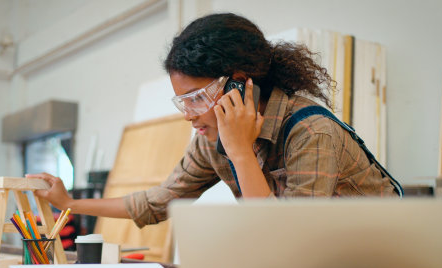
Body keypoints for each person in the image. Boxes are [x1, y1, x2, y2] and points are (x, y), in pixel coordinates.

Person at [27, 13, 401, 229]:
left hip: (387, 265)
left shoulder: (310, 132)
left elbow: (289, 237)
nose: (190, 115)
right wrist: (70, 203)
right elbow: (157, 202)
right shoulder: (211, 140)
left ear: (241, 83)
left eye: (197, 98)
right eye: (182, 102)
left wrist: (239, 151)